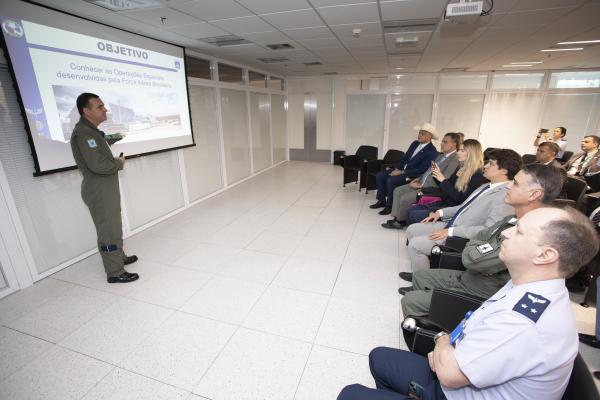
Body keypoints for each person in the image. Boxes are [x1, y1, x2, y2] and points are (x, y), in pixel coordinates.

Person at [338, 206, 599, 400]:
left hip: (455, 384)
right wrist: (447, 351)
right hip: (458, 373)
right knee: (379, 357)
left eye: (518, 231)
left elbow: (450, 373)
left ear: (545, 255)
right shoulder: (532, 283)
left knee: (351, 395)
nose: (506, 233)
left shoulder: (524, 321)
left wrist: (442, 341)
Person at [400, 164, 565, 319]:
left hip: (485, 290)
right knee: (421, 277)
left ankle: (434, 332)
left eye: (515, 183)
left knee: (410, 300)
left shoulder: (533, 232)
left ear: (534, 194)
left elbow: (473, 260)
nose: (508, 186)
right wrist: (477, 247)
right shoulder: (511, 219)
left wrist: (475, 248)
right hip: (474, 276)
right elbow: (480, 239)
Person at [405, 149, 521, 272]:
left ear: (504, 170)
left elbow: (488, 231)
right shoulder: (486, 186)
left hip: (461, 236)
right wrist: (440, 213)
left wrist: (450, 232)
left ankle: (422, 281)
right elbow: (464, 207)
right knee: (412, 230)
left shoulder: (505, 196)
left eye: (491, 163)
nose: (485, 166)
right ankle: (428, 266)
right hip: (452, 224)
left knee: (415, 245)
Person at [70, 93, 139, 283]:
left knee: (113, 226)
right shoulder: (84, 133)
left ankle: (119, 258)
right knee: (108, 230)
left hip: (105, 189)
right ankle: (115, 272)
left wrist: (111, 139)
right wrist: (118, 163)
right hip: (99, 191)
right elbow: (98, 165)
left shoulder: (91, 131)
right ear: (86, 111)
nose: (105, 109)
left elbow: (98, 148)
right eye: (99, 107)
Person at [398, 139, 485, 228]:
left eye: (462, 151)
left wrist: (442, 179)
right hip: (445, 202)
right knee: (410, 210)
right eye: (459, 150)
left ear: (472, 153)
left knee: (414, 214)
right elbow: (447, 187)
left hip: (452, 209)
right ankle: (413, 237)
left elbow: (460, 198)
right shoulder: (461, 168)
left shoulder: (476, 175)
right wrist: (436, 175)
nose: (458, 153)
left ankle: (417, 236)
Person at [382, 133, 461, 229]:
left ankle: (400, 221)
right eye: (442, 141)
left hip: (431, 188)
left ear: (454, 144)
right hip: (421, 181)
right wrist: (418, 179)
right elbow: (428, 171)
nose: (441, 144)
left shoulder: (455, 159)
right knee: (397, 191)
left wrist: (422, 186)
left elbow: (446, 179)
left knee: (405, 198)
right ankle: (396, 217)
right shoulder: (440, 156)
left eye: (445, 142)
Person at [370, 123, 439, 215]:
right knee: (380, 175)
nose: (419, 135)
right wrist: (396, 169)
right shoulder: (415, 143)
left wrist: (401, 172)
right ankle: (382, 200)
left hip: (412, 174)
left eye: (422, 134)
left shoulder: (432, 151)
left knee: (391, 180)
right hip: (401, 169)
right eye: (419, 133)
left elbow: (422, 169)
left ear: (430, 136)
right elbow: (405, 158)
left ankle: (389, 206)